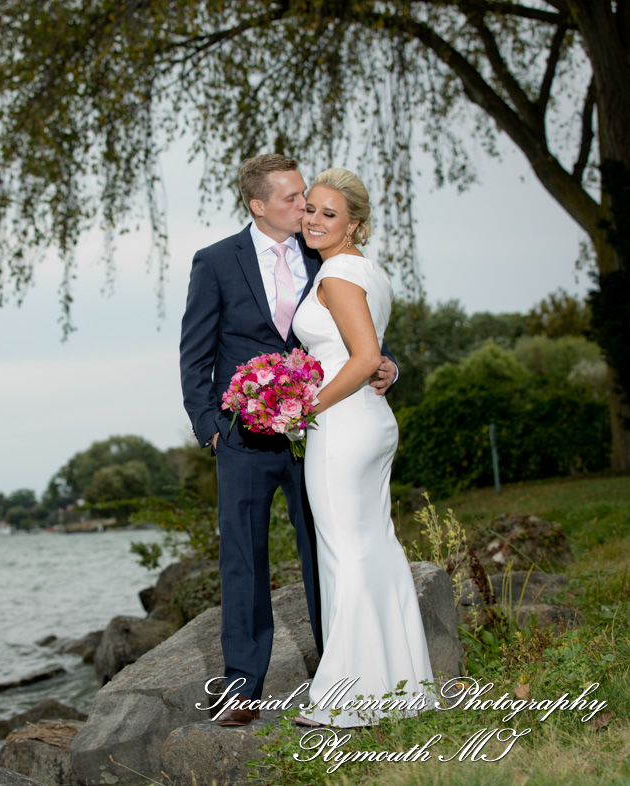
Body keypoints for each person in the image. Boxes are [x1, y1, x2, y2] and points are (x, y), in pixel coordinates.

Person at [179, 154, 398, 726]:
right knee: (243, 561)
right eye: (293, 198)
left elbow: (354, 332)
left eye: (308, 196)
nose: (305, 206)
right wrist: (210, 429)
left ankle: (340, 675)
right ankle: (241, 691)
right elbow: (195, 353)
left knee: (324, 550)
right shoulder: (215, 261)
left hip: (319, 432)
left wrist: (387, 365)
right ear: (258, 205)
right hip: (242, 438)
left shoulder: (322, 251)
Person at [291, 168, 433, 728]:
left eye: (329, 214)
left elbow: (366, 356)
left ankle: (346, 698)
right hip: (369, 420)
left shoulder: (336, 275)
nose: (314, 220)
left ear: (353, 223)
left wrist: (306, 408)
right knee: (376, 547)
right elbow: (373, 354)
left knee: (343, 551)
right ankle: (401, 687)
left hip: (342, 426)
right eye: (310, 209)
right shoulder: (367, 271)